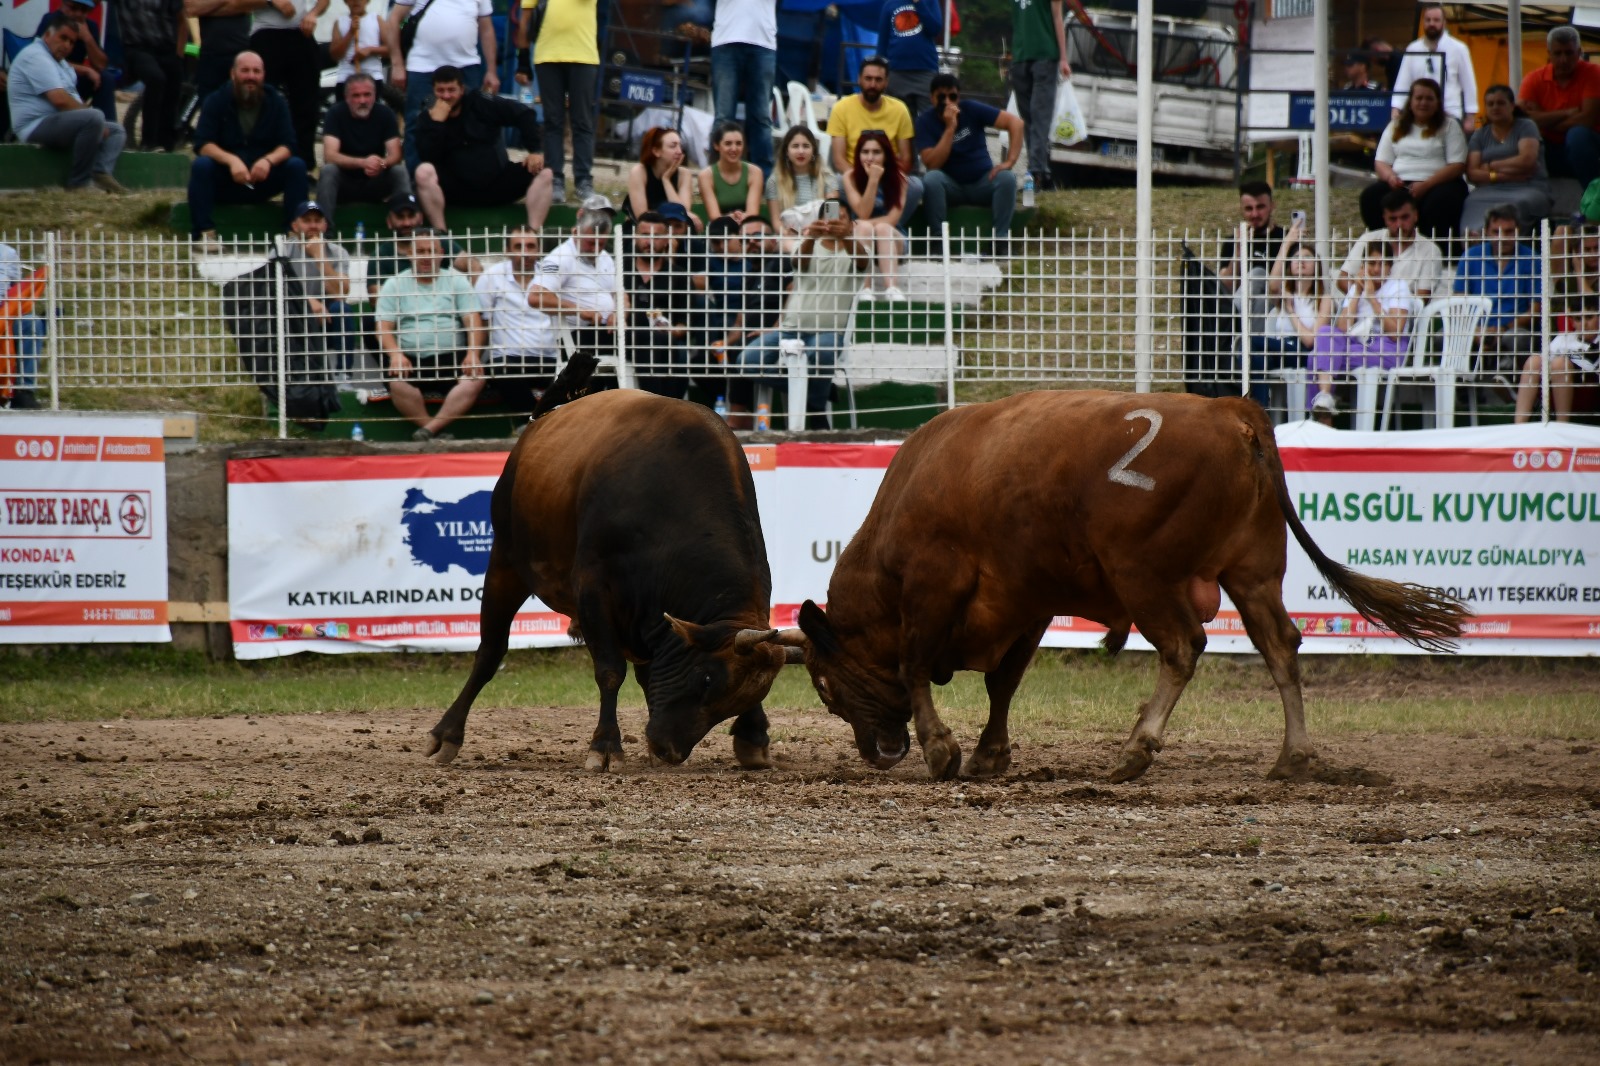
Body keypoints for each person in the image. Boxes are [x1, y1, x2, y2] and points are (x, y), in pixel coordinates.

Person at [734, 215, 867, 428]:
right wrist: (811, 238)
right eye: (830, 218)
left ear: (851, 224)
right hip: (789, 329)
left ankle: (814, 407)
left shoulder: (856, 250)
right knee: (746, 361)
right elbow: (797, 262)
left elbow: (862, 262)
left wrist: (847, 238)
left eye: (841, 218)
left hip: (828, 330)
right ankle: (817, 396)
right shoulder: (806, 246)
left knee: (822, 353)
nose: (835, 223)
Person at [376, 228, 487, 442]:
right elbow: (383, 326)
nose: (426, 256)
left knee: (475, 380)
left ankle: (429, 431)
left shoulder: (457, 282)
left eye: (431, 251)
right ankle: (433, 430)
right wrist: (395, 355)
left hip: (452, 357)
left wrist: (473, 353)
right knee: (397, 385)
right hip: (411, 359)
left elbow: (473, 320)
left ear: (441, 253)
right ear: (410, 253)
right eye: (421, 251)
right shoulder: (394, 284)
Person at [413, 65, 554, 233]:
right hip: (455, 189)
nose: (446, 96)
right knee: (423, 172)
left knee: (545, 173)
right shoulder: (427, 115)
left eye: (452, 90)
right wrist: (437, 125)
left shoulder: (481, 100)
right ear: (433, 91)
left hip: (497, 183)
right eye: (440, 91)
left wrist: (535, 151)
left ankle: (532, 234)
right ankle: (441, 234)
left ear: (462, 89)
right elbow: (427, 156)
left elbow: (524, 113)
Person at [188, 51, 309, 241]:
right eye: (245, 70)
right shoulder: (215, 100)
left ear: (263, 75)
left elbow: (289, 144)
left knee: (297, 166)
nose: (251, 76)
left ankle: (293, 234)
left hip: (263, 179)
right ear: (233, 73)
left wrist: (268, 161)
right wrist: (231, 160)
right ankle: (204, 234)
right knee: (201, 166)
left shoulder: (276, 101)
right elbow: (203, 144)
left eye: (256, 71)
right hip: (227, 180)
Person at [8, 12, 127, 194]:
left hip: (56, 122)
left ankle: (101, 173)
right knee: (94, 117)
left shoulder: (59, 62)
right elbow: (60, 99)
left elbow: (72, 99)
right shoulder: (36, 56)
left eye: (71, 42)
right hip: (34, 126)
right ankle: (79, 184)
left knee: (117, 131)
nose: (67, 45)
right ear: (47, 35)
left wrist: (95, 120)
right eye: (63, 38)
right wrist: (94, 120)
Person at [915, 72, 1024, 258]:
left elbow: (1016, 123)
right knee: (931, 179)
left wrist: (1010, 161)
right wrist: (950, 128)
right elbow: (932, 163)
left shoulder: (971, 109)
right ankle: (938, 241)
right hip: (950, 186)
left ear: (959, 97)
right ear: (932, 98)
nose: (948, 102)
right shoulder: (925, 122)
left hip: (982, 181)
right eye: (941, 97)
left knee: (1007, 178)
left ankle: (1000, 241)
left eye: (953, 96)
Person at [1308, 240, 1419, 419]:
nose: (1376, 269)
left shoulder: (1398, 286)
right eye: (1371, 263)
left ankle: (1320, 424)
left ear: (1390, 267)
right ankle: (1325, 398)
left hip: (1388, 349)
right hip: (1357, 345)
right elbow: (1342, 329)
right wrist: (1357, 294)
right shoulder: (1356, 288)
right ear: (1363, 265)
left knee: (1316, 359)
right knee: (1325, 333)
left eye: (1382, 264)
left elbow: (1395, 333)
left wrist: (1372, 298)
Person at [386, 0, 500, 173]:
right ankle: (416, 181)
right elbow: (394, 19)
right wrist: (397, 63)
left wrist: (491, 70)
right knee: (417, 123)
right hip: (422, 66)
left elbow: (486, 29)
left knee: (470, 125)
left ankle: (464, 179)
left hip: (466, 66)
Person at [1361, 78, 1467, 244]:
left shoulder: (1449, 126)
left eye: (1429, 98)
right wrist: (1390, 178)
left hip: (1438, 183)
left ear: (1438, 102)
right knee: (1371, 197)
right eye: (1419, 98)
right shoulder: (1396, 126)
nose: (1423, 102)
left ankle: (1438, 251)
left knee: (1440, 203)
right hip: (1401, 183)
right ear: (1410, 101)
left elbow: (1457, 165)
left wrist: (1426, 185)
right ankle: (1385, 248)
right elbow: (1381, 162)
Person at [515, 0, 601, 205]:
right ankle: (555, 180)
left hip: (583, 56)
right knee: (553, 121)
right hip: (547, 55)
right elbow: (525, 19)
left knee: (582, 121)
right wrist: (523, 60)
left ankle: (583, 181)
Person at [475, 226, 560, 419]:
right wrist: (476, 357)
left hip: (548, 356)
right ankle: (536, 424)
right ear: (507, 250)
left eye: (531, 246)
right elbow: (482, 322)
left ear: (538, 249)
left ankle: (535, 425)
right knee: (504, 372)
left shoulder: (552, 276)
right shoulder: (490, 277)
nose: (525, 252)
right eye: (518, 246)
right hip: (509, 356)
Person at [527, 195, 619, 371]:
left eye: (601, 243)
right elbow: (535, 296)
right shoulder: (561, 257)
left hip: (606, 331)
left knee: (657, 342)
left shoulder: (606, 257)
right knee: (645, 342)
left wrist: (618, 313)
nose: (596, 249)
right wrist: (580, 311)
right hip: (577, 335)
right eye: (591, 243)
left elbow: (621, 294)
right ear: (577, 231)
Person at [1453, 205, 1542, 387]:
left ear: (1518, 231)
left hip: (1513, 328)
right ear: (1486, 232)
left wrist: (1503, 329)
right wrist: (1476, 332)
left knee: (1516, 337)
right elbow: (1458, 303)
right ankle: (1461, 393)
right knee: (1441, 336)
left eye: (1509, 232)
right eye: (1496, 232)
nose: (1502, 238)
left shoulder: (1532, 259)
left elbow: (1536, 310)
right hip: (1477, 328)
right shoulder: (1470, 257)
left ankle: (1514, 390)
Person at [827, 56, 922, 226]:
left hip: (888, 176)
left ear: (886, 82)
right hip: (854, 176)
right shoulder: (842, 107)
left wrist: (881, 177)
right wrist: (863, 177)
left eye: (878, 80)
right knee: (834, 182)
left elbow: (906, 158)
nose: (872, 84)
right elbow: (838, 160)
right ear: (859, 79)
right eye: (868, 79)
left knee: (916, 186)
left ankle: (889, 226)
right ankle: (838, 226)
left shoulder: (899, 109)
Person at [1254, 219, 1328, 414]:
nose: (1301, 261)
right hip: (1280, 351)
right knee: (1256, 356)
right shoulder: (1285, 294)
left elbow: (1311, 340)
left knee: (1251, 344)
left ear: (1316, 266)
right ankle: (1262, 412)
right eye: (1296, 258)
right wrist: (1287, 243)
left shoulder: (1323, 299)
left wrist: (1292, 311)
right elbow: (1272, 284)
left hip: (1304, 352)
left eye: (1307, 258)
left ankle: (1258, 412)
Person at [317, 74, 410, 225]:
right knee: (328, 171)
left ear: (375, 95)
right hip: (344, 182)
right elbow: (330, 156)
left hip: (375, 181)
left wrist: (381, 164)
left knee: (399, 172)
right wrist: (362, 163)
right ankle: (324, 230)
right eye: (356, 96)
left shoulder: (385, 114)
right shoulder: (335, 113)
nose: (362, 101)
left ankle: (407, 225)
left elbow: (396, 154)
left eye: (367, 95)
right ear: (347, 97)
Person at [624, 211, 698, 399]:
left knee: (678, 352)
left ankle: (668, 408)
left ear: (666, 240)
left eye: (656, 236)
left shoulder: (679, 276)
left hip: (666, 342)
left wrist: (670, 330)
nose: (649, 242)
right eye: (644, 235)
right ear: (635, 237)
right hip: (625, 338)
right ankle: (658, 407)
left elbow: (685, 325)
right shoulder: (618, 269)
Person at [1460, 85, 1551, 235]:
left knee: (1519, 204)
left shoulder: (1526, 126)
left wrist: (1491, 165)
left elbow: (1527, 161)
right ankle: (1476, 241)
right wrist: (1506, 175)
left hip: (1529, 188)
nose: (1495, 107)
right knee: (1470, 201)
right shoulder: (1480, 134)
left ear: (1512, 106)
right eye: (1490, 104)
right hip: (1487, 190)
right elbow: (1472, 173)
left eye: (1500, 103)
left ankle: (1497, 242)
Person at [281, 199, 356, 375]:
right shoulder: (282, 250)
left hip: (326, 315)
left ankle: (343, 375)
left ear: (324, 225)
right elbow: (274, 288)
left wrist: (320, 257)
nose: (313, 225)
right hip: (293, 311)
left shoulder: (338, 252)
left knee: (342, 309)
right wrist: (307, 300)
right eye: (307, 221)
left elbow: (341, 293)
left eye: (317, 221)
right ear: (294, 225)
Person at [1518, 26, 1600, 188]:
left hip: (1587, 149)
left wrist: (1544, 120)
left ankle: (1594, 195)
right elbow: (1524, 120)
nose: (1563, 59)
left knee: (1577, 135)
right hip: (1550, 150)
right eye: (1558, 53)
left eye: (1569, 53)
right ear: (1549, 54)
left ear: (1579, 52)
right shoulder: (1533, 79)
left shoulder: (1594, 73)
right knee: (1526, 140)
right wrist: (1567, 113)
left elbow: (1587, 120)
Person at [249, 0, 325, 166]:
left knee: (306, 103)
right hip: (266, 31)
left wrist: (313, 14)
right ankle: (258, 159)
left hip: (299, 32)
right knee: (261, 100)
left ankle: (302, 164)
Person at [1339, 188, 1445, 303]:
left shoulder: (1430, 250)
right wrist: (1368, 303)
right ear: (1384, 219)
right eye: (1393, 219)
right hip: (1364, 312)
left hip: (1403, 316)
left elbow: (1422, 298)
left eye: (1405, 217)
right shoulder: (1369, 239)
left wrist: (1386, 310)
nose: (1399, 224)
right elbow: (1343, 280)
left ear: (1415, 215)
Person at [709, 0, 776, 174]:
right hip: (727, 40)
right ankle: (716, 177)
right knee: (723, 117)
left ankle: (765, 181)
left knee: (760, 117)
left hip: (762, 43)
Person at [842, 129, 909, 301]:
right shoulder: (850, 177)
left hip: (892, 238)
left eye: (876, 152)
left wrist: (862, 223)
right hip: (862, 236)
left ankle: (891, 288)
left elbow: (893, 219)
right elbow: (862, 212)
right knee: (863, 226)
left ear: (886, 155)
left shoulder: (900, 178)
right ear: (858, 154)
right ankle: (865, 289)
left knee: (881, 227)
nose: (870, 157)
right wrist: (872, 180)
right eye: (865, 152)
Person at [1010, 0, 1070, 191]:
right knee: (1032, 117)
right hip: (1027, 55)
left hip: (1036, 55)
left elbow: (1057, 16)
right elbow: (1053, 17)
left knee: (1037, 116)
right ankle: (1040, 171)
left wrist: (1062, 58)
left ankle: (1036, 172)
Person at [1390, 2, 1477, 133]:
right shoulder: (1413, 48)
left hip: (1449, 113)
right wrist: (1396, 108)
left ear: (1444, 22)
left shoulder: (1459, 49)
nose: (1432, 24)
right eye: (1428, 20)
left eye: (1436, 20)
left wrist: (1470, 116)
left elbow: (1469, 84)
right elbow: (1403, 81)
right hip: (1419, 114)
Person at [1514, 298, 1598, 423]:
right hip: (1555, 383)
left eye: (1589, 317)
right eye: (1578, 319)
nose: (1584, 324)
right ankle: (1519, 425)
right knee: (1534, 361)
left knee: (1560, 364)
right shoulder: (1563, 338)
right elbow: (1544, 361)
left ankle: (1562, 423)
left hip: (1587, 387)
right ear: (1572, 322)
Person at [119, 0, 186, 151]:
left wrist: (179, 54)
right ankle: (148, 141)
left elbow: (182, 19)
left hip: (166, 47)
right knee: (156, 78)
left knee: (173, 85)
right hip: (137, 47)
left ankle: (167, 144)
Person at [37, 0, 116, 124]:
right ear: (63, 4)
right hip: (52, 80)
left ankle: (108, 126)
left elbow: (101, 65)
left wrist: (88, 38)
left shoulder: (89, 26)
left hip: (74, 81)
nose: (78, 14)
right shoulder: (51, 20)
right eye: (73, 8)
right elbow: (43, 60)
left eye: (84, 10)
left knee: (106, 78)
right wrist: (85, 69)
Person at [766, 124, 840, 252]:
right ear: (786, 152)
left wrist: (814, 231)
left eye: (806, 146)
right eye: (795, 146)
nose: (801, 151)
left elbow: (832, 215)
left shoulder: (828, 177)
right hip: (789, 236)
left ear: (813, 151)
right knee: (788, 244)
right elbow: (776, 221)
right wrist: (787, 233)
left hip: (822, 234)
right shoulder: (774, 180)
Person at [877, 0, 943, 122]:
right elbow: (883, 41)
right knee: (900, 120)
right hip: (897, 71)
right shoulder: (890, 4)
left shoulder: (930, 2)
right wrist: (880, 68)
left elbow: (935, 29)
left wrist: (919, 4)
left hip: (925, 70)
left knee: (930, 118)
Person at [625, 127, 698, 229]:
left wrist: (666, 180)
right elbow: (642, 217)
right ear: (656, 151)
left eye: (680, 146)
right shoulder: (639, 172)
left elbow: (683, 213)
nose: (679, 151)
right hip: (644, 231)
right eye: (673, 146)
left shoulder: (684, 174)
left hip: (675, 231)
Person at [697, 120, 764, 225]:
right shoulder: (705, 175)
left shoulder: (755, 172)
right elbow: (714, 216)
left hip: (747, 226)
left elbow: (753, 213)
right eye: (728, 144)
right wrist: (730, 218)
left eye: (738, 144)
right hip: (719, 229)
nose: (734, 148)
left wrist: (741, 218)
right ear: (716, 146)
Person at [330, 0, 388, 95]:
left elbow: (390, 50)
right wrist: (351, 32)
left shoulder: (376, 19)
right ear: (346, 1)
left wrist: (370, 50)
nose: (356, 1)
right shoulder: (339, 22)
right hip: (346, 77)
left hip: (373, 76)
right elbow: (335, 55)